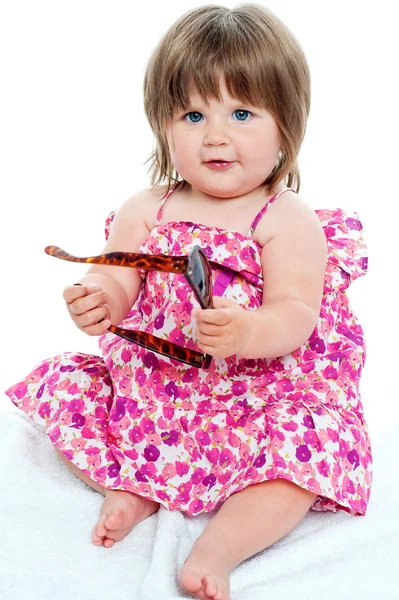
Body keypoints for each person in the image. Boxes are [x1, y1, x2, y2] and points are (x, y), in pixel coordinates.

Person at [5, 4, 372, 600]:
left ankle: (220, 545)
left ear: (287, 126)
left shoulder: (285, 219)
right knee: (64, 389)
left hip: (260, 395)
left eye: (243, 113)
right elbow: (116, 276)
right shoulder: (148, 208)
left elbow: (297, 313)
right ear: (162, 125)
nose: (217, 135)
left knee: (310, 448)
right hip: (160, 391)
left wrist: (250, 331)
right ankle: (139, 483)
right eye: (194, 114)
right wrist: (98, 300)